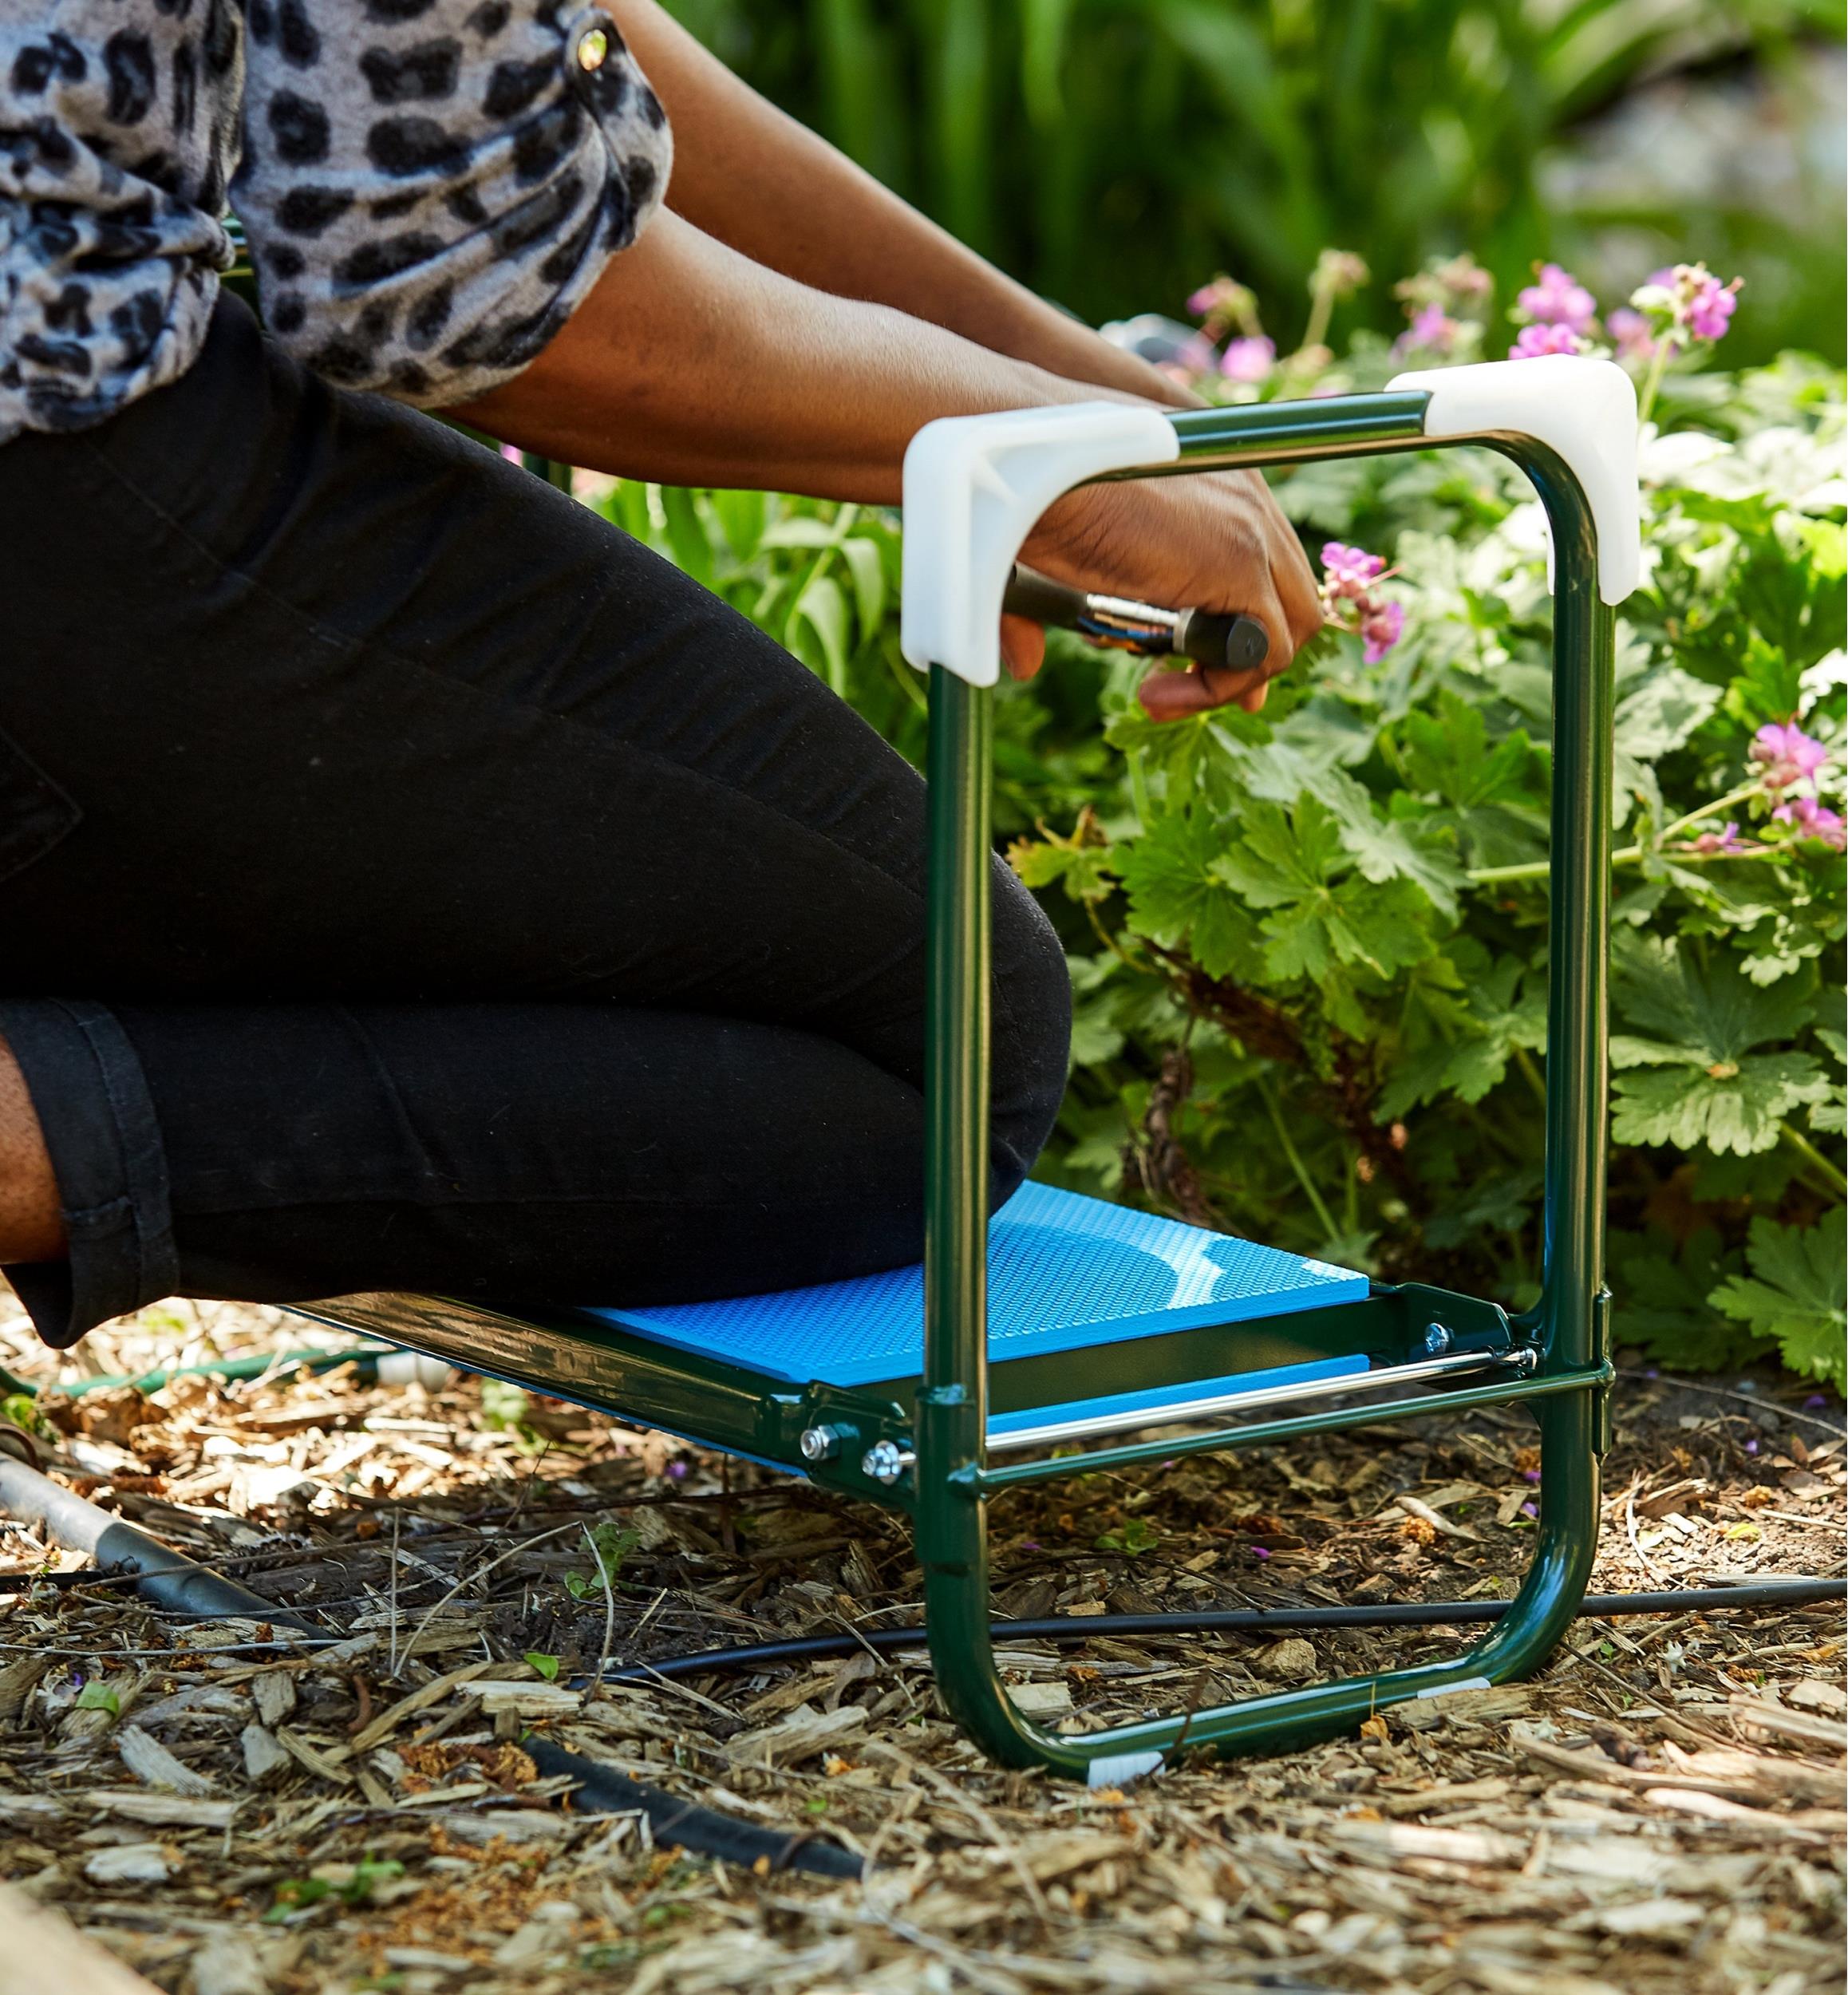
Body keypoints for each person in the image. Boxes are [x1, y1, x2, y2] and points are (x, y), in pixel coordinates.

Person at [0, 0, 1322, 1349]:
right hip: (48, 450)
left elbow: (554, 45)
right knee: (948, 1041)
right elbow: (449, 276)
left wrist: (1084, 405)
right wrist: (1024, 447)